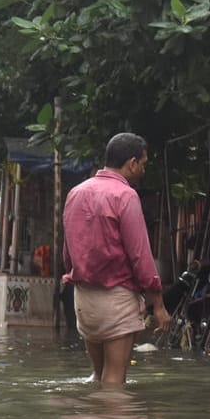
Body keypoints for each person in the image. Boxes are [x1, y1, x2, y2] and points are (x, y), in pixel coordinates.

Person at [62, 133, 171, 386]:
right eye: (143, 163)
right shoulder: (125, 195)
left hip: (83, 297)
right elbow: (140, 256)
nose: (143, 169)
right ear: (131, 163)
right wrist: (158, 304)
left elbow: (67, 250)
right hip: (116, 299)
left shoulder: (76, 193)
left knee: (97, 377)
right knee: (114, 381)